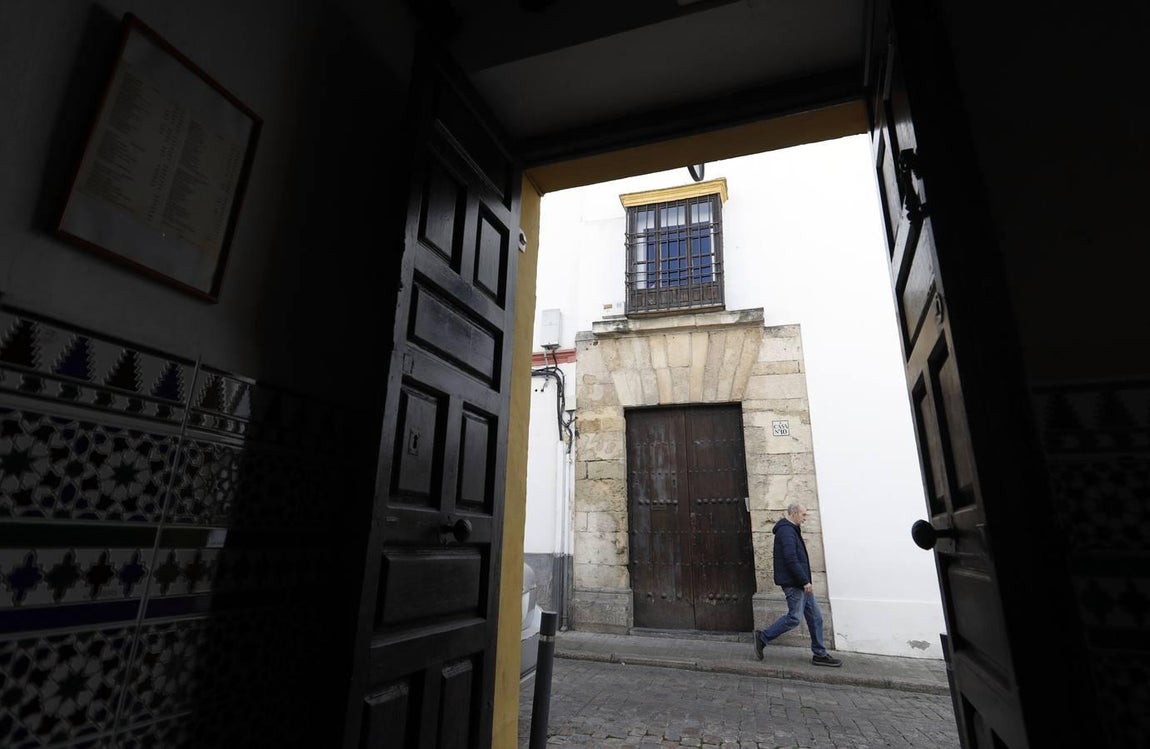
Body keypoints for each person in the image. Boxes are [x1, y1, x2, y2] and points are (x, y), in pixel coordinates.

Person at [754, 502, 842, 667]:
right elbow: (791, 558)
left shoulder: (792, 530)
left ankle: (819, 654)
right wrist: (804, 581)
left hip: (801, 584)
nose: (805, 518)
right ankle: (763, 637)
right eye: (803, 514)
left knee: (816, 617)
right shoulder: (786, 531)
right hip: (795, 583)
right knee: (794, 618)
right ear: (794, 513)